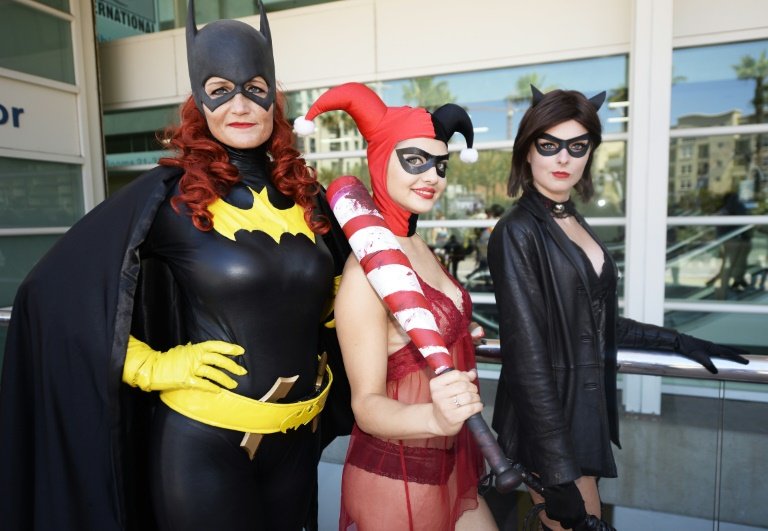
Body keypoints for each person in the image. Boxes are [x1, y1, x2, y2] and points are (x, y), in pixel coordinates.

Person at [0, 2, 352, 530]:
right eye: (219, 89)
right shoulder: (171, 198)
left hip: (297, 442)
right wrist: (153, 367)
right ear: (199, 100)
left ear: (273, 96)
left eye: (254, 87)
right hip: (202, 448)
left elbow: (341, 298)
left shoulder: (308, 197)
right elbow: (52, 298)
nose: (240, 104)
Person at [487, 86, 750, 531]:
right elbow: (525, 357)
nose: (563, 159)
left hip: (582, 418)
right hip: (549, 430)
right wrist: (556, 471)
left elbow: (594, 321)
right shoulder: (516, 232)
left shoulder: (570, 218)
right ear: (527, 151)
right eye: (548, 146)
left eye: (577, 146)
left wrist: (679, 341)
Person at [297, 82, 496, 530]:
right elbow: (365, 405)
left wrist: (461, 333)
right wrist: (434, 416)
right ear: (381, 158)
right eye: (415, 161)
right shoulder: (362, 276)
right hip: (397, 477)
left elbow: (419, 336)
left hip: (451, 466)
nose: (433, 177)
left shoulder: (417, 243)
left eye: (440, 165)